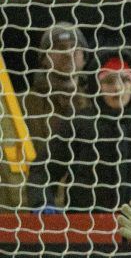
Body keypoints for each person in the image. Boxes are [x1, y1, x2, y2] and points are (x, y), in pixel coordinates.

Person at [48, 54, 131, 210]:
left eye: (125, 79)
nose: (117, 88)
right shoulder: (78, 124)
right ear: (98, 86)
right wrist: (42, 203)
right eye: (109, 81)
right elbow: (44, 171)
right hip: (88, 225)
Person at [22, 22, 92, 210]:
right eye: (59, 48)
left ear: (84, 58)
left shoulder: (97, 107)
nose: (68, 53)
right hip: (30, 207)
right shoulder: (23, 105)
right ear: (44, 58)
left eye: (75, 48)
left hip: (82, 213)